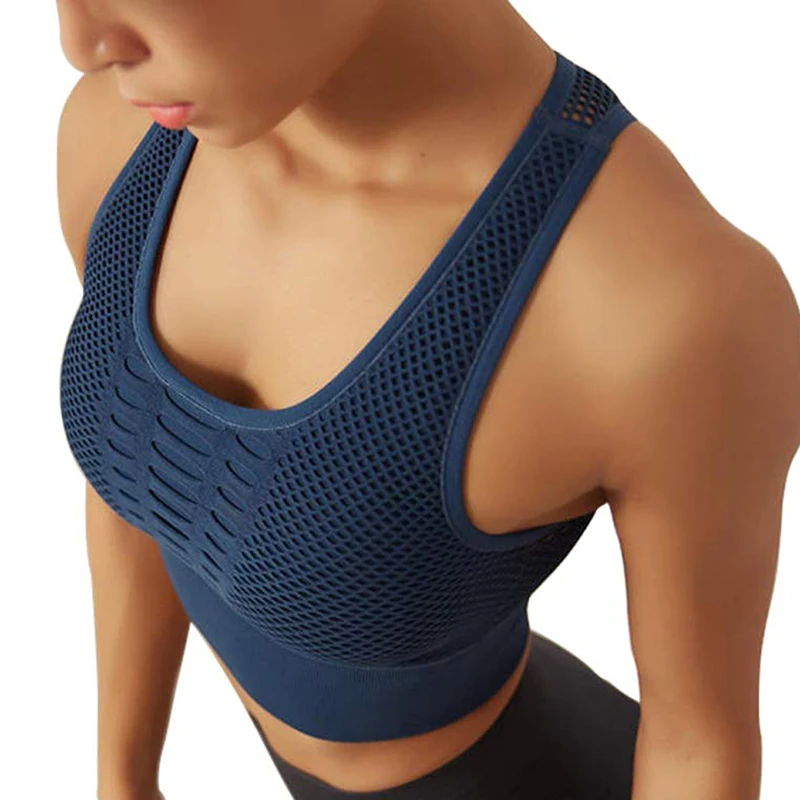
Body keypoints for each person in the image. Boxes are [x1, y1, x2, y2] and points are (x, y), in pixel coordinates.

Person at [55, 2, 800, 799]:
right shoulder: (125, 138)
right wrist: (123, 779)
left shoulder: (670, 309)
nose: (82, 43)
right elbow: (133, 465)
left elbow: (696, 747)